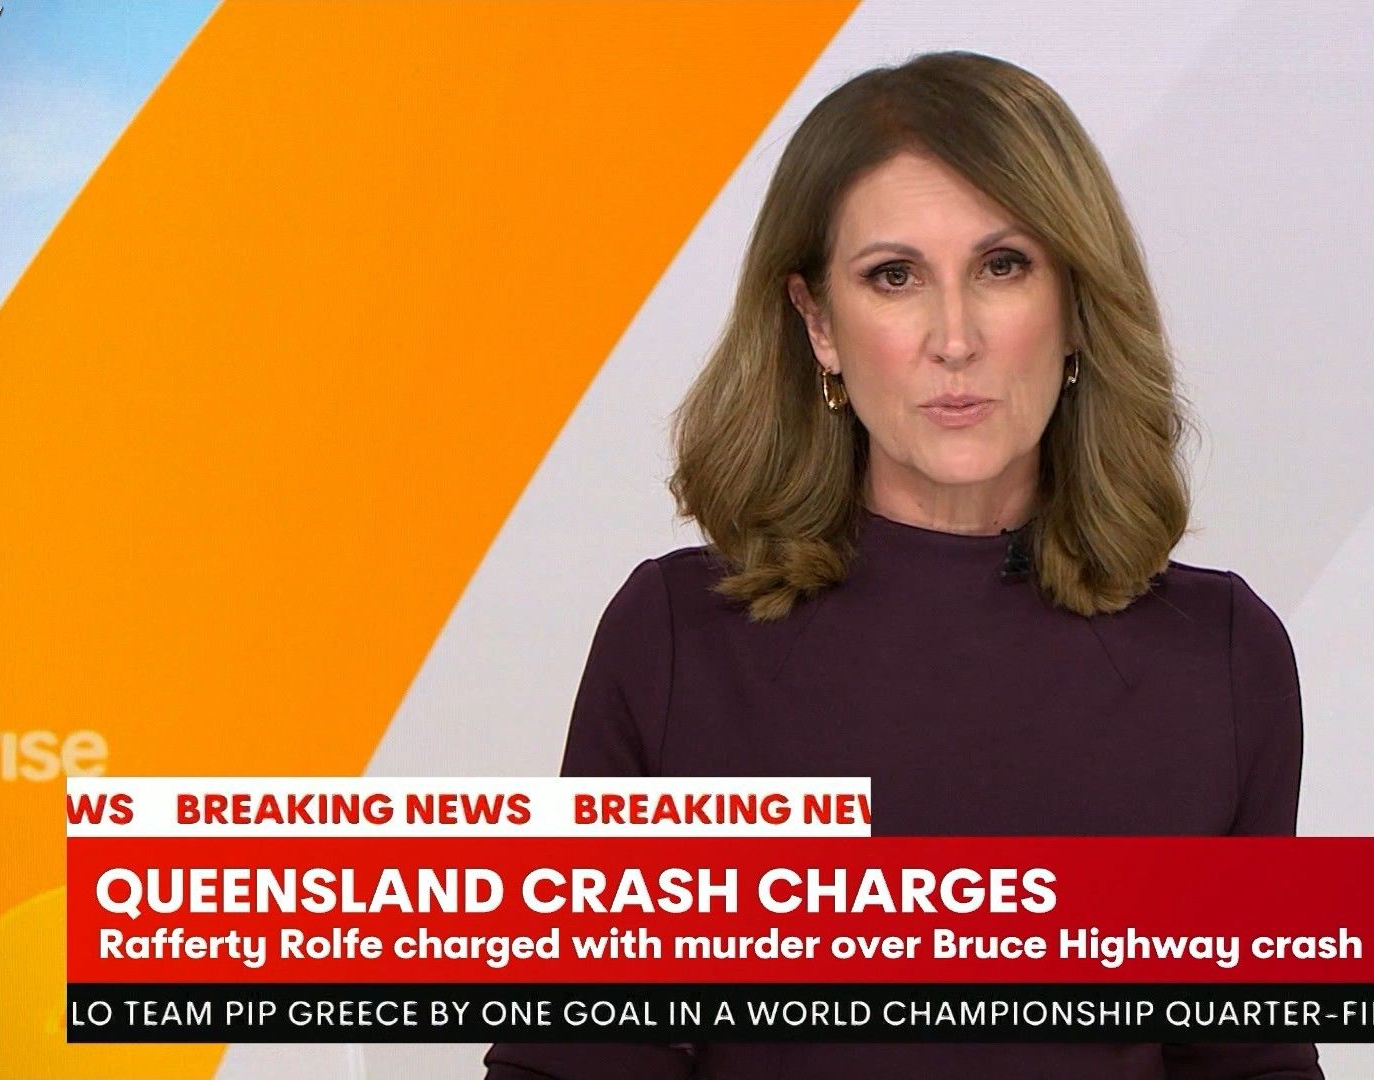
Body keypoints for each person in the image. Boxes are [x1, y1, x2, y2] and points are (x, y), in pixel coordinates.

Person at [485, 50, 1321, 1080]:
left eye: (1003, 265)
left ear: (1075, 306)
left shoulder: (1221, 661)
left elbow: (1251, 1061)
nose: (954, 339)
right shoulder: (675, 644)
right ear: (819, 324)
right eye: (895, 276)